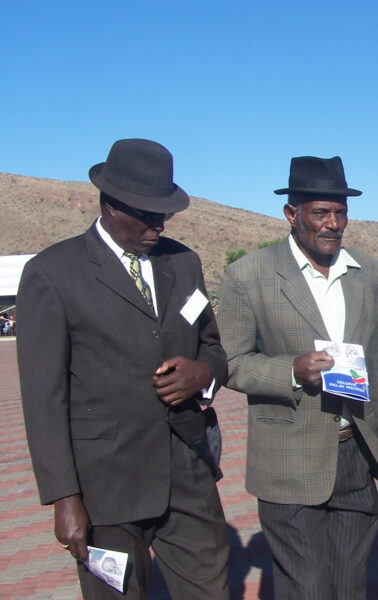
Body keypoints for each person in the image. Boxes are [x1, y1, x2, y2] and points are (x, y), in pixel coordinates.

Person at [17, 138, 229, 599]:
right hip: (105, 488)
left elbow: (213, 347)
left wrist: (204, 374)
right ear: (111, 204)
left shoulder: (183, 262)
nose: (160, 224)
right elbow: (43, 399)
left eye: (165, 214)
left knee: (210, 589)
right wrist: (64, 499)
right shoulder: (53, 272)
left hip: (187, 473)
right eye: (149, 214)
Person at [217, 155, 378, 600]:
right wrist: (290, 371)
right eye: (320, 213)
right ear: (292, 215)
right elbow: (232, 362)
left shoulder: (369, 273)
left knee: (350, 584)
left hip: (355, 454)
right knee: (306, 587)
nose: (333, 223)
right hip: (288, 459)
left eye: (340, 212)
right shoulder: (248, 275)